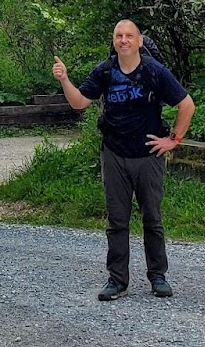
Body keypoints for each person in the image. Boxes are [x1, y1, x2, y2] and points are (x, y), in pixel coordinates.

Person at [52, 18, 195, 301]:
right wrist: (64, 79)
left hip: (148, 154)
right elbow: (80, 102)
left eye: (130, 35)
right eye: (119, 35)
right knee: (117, 220)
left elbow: (186, 104)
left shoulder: (154, 71)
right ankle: (117, 280)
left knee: (152, 218)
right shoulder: (105, 71)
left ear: (139, 41)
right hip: (114, 153)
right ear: (114, 41)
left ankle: (158, 276)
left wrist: (173, 140)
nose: (124, 40)